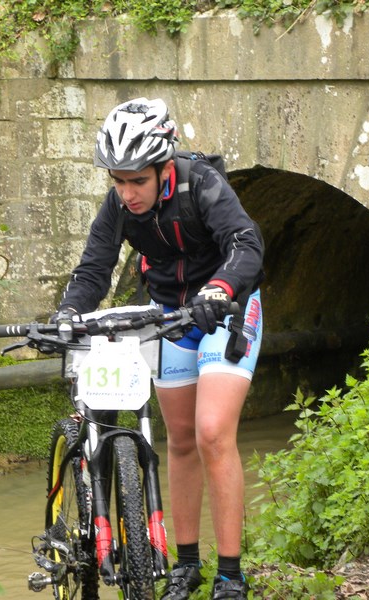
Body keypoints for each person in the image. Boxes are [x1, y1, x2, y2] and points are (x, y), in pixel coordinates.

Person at [53, 97, 264, 600]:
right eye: (118, 181)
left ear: (163, 166)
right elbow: (93, 269)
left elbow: (246, 243)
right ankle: (186, 566)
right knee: (183, 440)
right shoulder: (118, 207)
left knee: (214, 433)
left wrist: (221, 290)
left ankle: (230, 575)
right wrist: (68, 313)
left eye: (137, 181)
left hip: (226, 311)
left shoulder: (201, 184)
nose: (127, 193)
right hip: (168, 317)